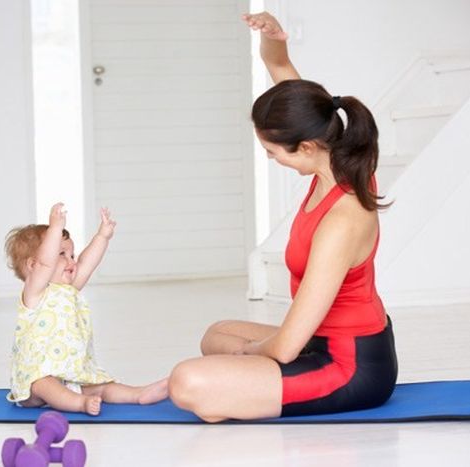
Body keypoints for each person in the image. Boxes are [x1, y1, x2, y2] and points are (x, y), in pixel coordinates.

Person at [167, 12, 398, 422]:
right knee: (216, 334)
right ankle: (238, 389)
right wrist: (274, 39)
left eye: (273, 152)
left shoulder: (342, 221)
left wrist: (247, 356)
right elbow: (283, 75)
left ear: (305, 147)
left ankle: (231, 392)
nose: (272, 159)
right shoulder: (337, 156)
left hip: (350, 367)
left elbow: (286, 347)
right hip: (318, 340)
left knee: (186, 381)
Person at [4, 203, 168, 415]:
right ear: (33, 265)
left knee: (101, 386)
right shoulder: (35, 291)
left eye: (71, 255)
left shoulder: (69, 289)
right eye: (61, 254)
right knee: (44, 384)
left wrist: (102, 237)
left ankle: (138, 394)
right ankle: (79, 403)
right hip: (34, 382)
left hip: (70, 376)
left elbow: (86, 263)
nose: (71, 261)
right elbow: (46, 264)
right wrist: (55, 228)